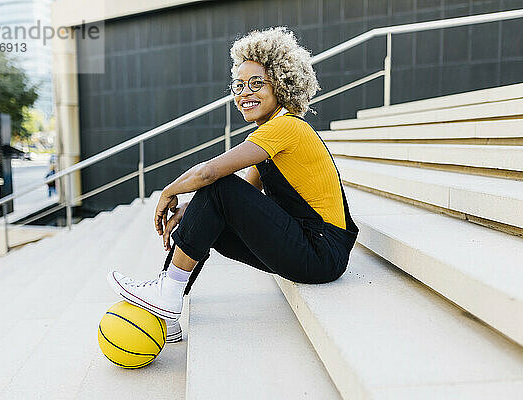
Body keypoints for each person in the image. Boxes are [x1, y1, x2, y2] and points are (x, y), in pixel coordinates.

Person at [107, 27, 358, 343]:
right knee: (212, 208)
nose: (245, 93)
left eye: (256, 83)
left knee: (217, 187)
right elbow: (247, 195)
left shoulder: (287, 127)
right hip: (313, 249)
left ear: (281, 85)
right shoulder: (273, 132)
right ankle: (166, 305)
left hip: (321, 252)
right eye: (239, 85)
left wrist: (170, 191)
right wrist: (189, 210)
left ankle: (167, 292)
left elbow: (212, 175)